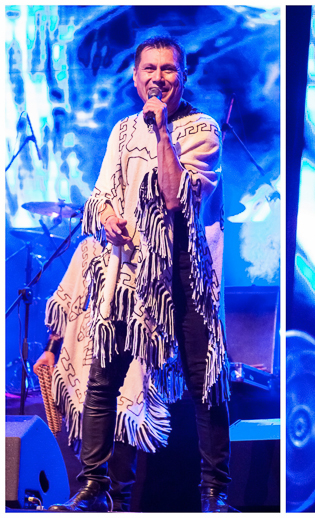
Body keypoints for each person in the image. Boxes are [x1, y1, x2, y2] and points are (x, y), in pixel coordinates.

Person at [47, 35, 233, 512]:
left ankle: (214, 493)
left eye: (168, 69)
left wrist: (163, 131)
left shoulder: (200, 129)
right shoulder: (123, 131)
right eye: (149, 69)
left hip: (184, 279)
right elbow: (102, 191)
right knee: (102, 381)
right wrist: (108, 216)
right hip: (128, 277)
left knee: (204, 384)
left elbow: (175, 198)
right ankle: (95, 487)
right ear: (135, 77)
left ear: (183, 75)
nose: (158, 78)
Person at [34, 237, 169, 512]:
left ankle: (119, 505)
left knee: (124, 429)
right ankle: (91, 495)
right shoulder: (89, 248)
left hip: (132, 351)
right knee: (95, 423)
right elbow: (68, 298)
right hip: (91, 350)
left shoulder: (147, 243)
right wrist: (50, 349)